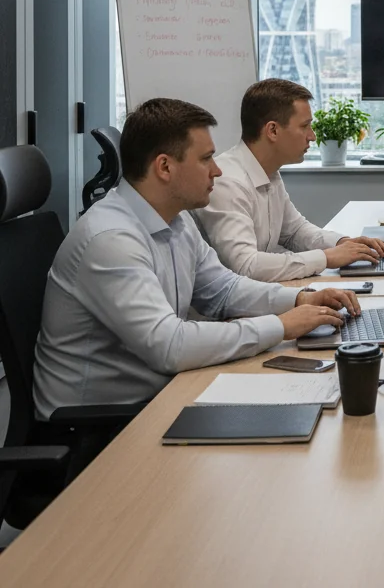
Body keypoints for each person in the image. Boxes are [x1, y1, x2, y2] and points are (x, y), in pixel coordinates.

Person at [34, 99, 360, 419]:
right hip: (96, 427)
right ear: (164, 167)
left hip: (161, 394)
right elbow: (169, 347)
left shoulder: (175, 219)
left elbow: (223, 290)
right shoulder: (110, 239)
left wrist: (300, 299)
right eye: (206, 159)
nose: (217, 170)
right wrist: (280, 326)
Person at [198, 79, 384, 281]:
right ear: (272, 131)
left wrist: (342, 243)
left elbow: (294, 232)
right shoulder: (227, 182)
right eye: (305, 126)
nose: (312, 136)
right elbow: (246, 266)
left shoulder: (269, 172)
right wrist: (325, 257)